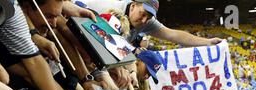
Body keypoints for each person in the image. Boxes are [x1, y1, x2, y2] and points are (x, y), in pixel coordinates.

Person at [79, 0, 222, 47]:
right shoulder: (110, 9)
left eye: (148, 17)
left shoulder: (145, 21)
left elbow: (173, 35)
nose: (143, 21)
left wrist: (208, 42)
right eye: (142, 14)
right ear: (133, 5)